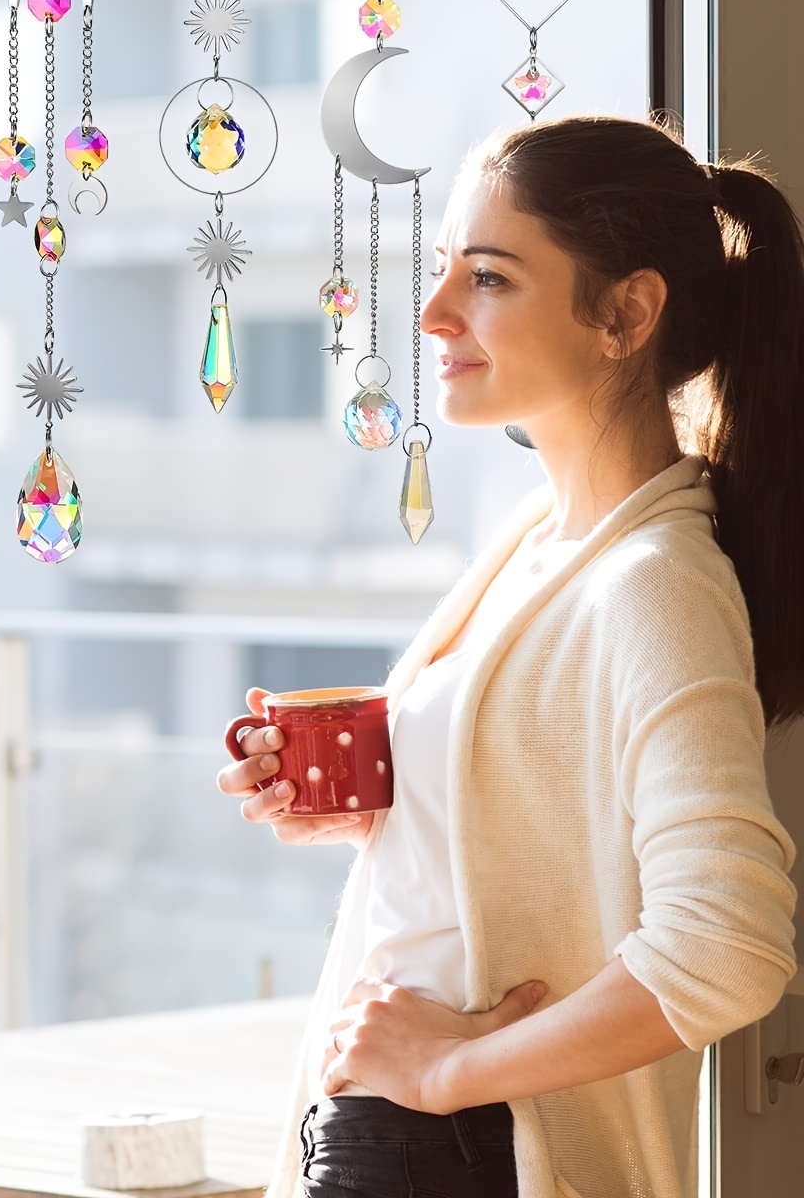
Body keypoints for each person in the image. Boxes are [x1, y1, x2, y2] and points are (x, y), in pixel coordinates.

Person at [218, 117, 800, 1198]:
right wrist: (377, 803)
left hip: (467, 1151)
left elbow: (727, 949)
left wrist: (448, 1066)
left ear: (625, 312)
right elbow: (536, 805)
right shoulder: (542, 545)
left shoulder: (654, 581)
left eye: (486, 277)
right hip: (404, 1133)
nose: (435, 312)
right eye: (444, 270)